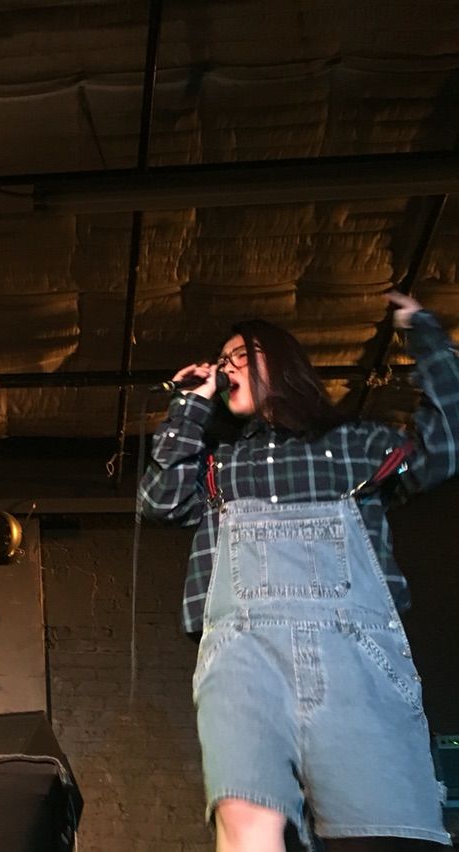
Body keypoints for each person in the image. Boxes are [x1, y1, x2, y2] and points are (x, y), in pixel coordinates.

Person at [139, 291, 459, 852]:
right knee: (244, 818)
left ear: (282, 361)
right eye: (221, 358)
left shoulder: (355, 445)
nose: (225, 366)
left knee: (377, 834)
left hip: (354, 656)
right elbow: (158, 501)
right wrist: (190, 403)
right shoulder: (217, 466)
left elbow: (447, 441)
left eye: (240, 354)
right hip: (243, 656)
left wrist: (425, 334)